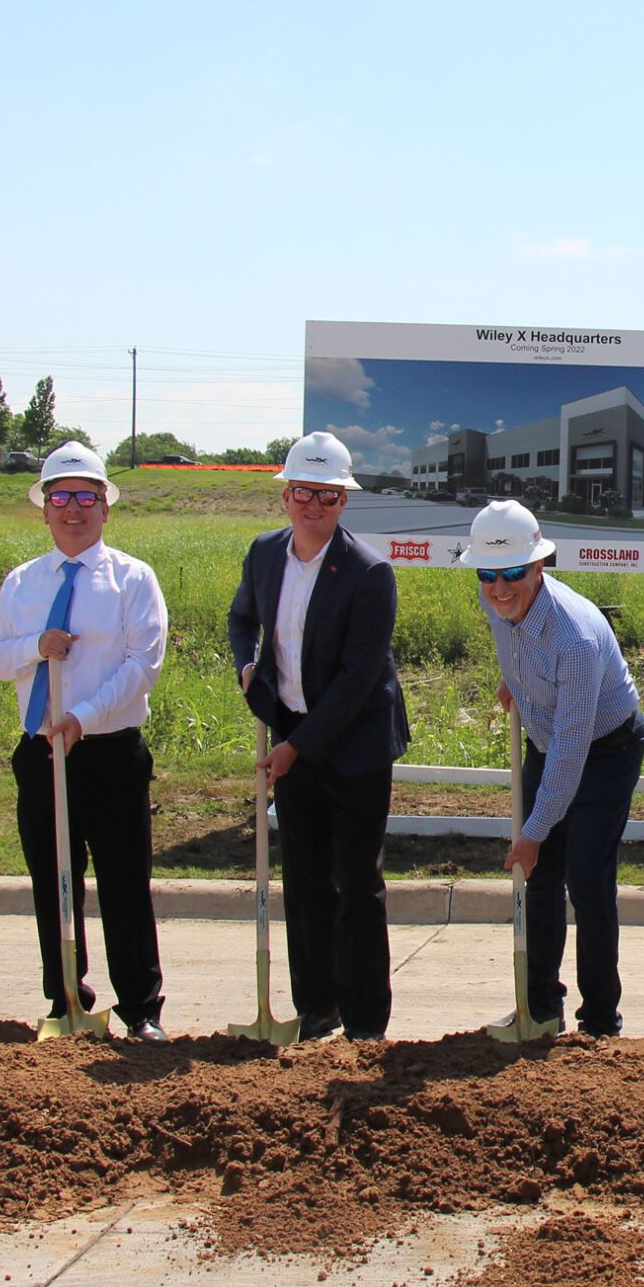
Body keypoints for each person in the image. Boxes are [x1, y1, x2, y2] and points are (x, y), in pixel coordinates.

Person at [0, 443, 171, 1040]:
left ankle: (140, 1008)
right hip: (41, 753)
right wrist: (36, 646)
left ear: (106, 508)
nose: (73, 509)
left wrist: (82, 716)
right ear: (44, 509)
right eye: (60, 497)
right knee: (52, 878)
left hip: (108, 750)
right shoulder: (23, 583)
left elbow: (144, 662)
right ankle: (66, 998)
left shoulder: (133, 579)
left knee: (123, 881)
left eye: (87, 496)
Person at [227, 432, 411, 1042]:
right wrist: (248, 667)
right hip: (292, 731)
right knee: (305, 880)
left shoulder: (369, 573)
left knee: (358, 883)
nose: (314, 505)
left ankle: (364, 1022)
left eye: (327, 496)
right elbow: (242, 617)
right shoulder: (263, 554)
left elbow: (359, 679)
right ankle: (316, 1008)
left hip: (354, 745)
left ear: (343, 502)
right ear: (286, 495)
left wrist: (297, 748)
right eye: (303, 491)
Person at [467, 499, 644, 1037]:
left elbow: (571, 752)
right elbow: (512, 641)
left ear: (539, 565)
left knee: (587, 882)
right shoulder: (497, 601)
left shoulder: (575, 638)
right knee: (539, 881)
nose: (500, 587)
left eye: (514, 573)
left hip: (605, 750)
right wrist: (513, 679)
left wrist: (533, 831)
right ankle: (540, 1007)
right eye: (489, 573)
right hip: (550, 738)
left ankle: (599, 1020)